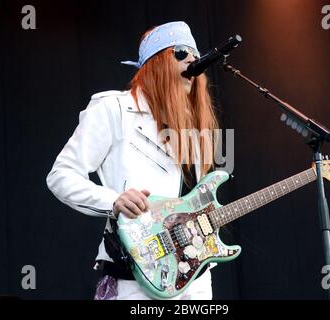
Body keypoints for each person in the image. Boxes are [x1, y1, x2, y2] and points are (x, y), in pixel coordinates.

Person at [46, 21, 218, 300]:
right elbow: (61, 174)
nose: (192, 61)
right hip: (135, 278)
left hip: (194, 282)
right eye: (181, 52)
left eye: (196, 56)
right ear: (156, 62)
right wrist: (112, 201)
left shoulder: (193, 126)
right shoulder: (113, 109)